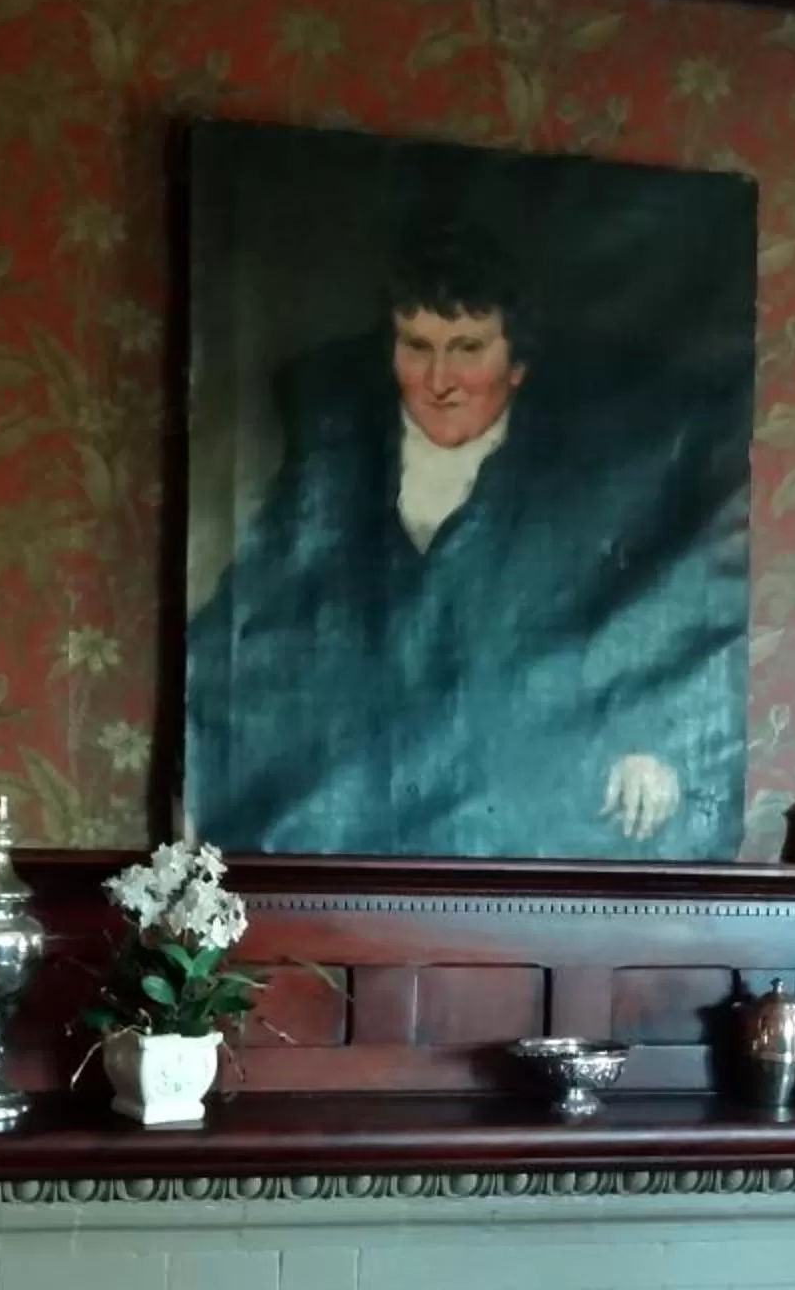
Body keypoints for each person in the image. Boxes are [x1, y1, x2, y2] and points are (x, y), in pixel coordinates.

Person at [186, 215, 750, 858]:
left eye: (467, 347)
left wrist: (651, 739)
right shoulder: (333, 459)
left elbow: (668, 624)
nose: (439, 380)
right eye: (416, 346)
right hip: (362, 805)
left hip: (524, 805)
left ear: (516, 365)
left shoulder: (588, 487)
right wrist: (195, 769)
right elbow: (245, 620)